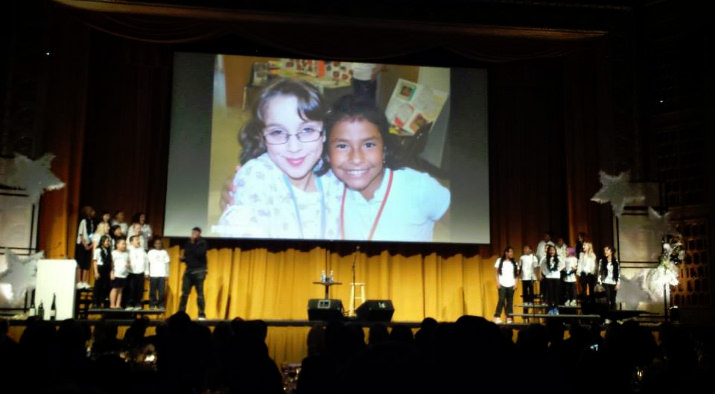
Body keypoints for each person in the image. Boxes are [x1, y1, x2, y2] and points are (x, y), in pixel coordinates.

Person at [216, 78, 336, 239]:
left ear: (325, 132)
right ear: (262, 136)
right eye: (277, 132)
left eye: (307, 130)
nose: (294, 148)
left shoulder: (336, 176)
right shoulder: (256, 177)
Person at [320, 94, 450, 241]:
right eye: (342, 146)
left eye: (369, 145)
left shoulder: (419, 188)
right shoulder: (325, 188)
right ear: (327, 154)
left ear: (385, 149)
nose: (356, 158)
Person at [179, 227, 208, 320]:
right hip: (189, 271)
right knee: (184, 293)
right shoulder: (188, 243)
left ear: (199, 234)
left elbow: (199, 254)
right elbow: (187, 255)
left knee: (200, 293)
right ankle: (181, 313)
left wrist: (192, 244)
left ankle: (201, 314)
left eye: (196, 233)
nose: (194, 234)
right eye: (193, 232)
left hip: (199, 271)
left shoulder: (202, 243)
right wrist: (183, 259)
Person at [493, 247, 518, 324]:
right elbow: (496, 272)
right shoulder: (499, 261)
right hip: (502, 284)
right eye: (510, 252)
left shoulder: (514, 263)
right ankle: (497, 316)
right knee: (501, 300)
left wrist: (516, 283)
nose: (511, 254)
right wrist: (497, 282)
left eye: (512, 252)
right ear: (506, 253)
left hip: (511, 284)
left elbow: (516, 275)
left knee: (510, 301)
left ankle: (509, 317)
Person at [540, 245, 564, 315]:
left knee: (556, 293)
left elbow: (563, 265)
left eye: (553, 250)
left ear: (555, 251)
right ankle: (550, 308)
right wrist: (546, 273)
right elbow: (542, 266)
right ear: (548, 251)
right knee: (550, 293)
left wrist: (557, 270)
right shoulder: (545, 258)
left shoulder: (558, 258)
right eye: (550, 250)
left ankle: (556, 308)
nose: (552, 251)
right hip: (548, 277)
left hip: (556, 277)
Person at [126, 235, 149, 310]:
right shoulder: (128, 250)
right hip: (131, 272)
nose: (138, 241)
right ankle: (129, 304)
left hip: (140, 272)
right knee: (131, 289)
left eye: (138, 240)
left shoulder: (142, 250)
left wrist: (146, 272)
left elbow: (146, 261)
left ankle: (137, 304)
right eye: (136, 240)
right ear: (131, 241)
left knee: (139, 289)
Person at [75, 205, 95, 289]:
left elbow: (91, 234)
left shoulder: (91, 222)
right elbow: (81, 234)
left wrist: (90, 244)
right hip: (81, 245)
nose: (94, 212)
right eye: (92, 211)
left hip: (88, 245)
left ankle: (84, 281)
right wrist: (85, 245)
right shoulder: (83, 221)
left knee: (86, 264)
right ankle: (79, 281)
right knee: (81, 263)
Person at [147, 238, 170, 309]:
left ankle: (161, 305)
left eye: (159, 243)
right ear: (154, 244)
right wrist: (147, 272)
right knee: (152, 291)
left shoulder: (164, 252)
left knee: (161, 292)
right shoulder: (151, 252)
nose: (158, 245)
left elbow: (167, 264)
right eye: (156, 243)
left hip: (162, 274)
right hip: (153, 274)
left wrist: (167, 274)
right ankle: (152, 304)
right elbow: (147, 263)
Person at [92, 235, 113, 308]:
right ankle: (95, 302)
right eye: (106, 241)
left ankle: (102, 301)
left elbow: (110, 262)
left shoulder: (109, 251)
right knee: (98, 286)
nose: (108, 243)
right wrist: (96, 272)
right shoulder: (98, 250)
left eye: (109, 241)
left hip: (107, 269)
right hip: (100, 268)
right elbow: (95, 261)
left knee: (105, 286)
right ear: (102, 242)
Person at [598, 245, 620, 310]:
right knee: (607, 299)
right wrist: (599, 283)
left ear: (611, 252)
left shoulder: (615, 261)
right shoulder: (602, 261)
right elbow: (599, 272)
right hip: (605, 282)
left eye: (607, 250)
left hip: (613, 282)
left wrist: (618, 283)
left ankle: (613, 316)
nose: (605, 252)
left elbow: (618, 273)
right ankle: (607, 315)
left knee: (613, 300)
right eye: (604, 250)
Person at [110, 237, 129, 309]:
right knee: (115, 289)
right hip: (116, 274)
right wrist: (112, 272)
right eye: (123, 244)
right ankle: (112, 304)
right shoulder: (114, 253)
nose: (124, 245)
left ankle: (118, 304)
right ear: (117, 245)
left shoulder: (126, 254)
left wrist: (128, 265)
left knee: (120, 290)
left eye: (125, 244)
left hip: (123, 275)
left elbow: (127, 262)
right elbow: (111, 264)